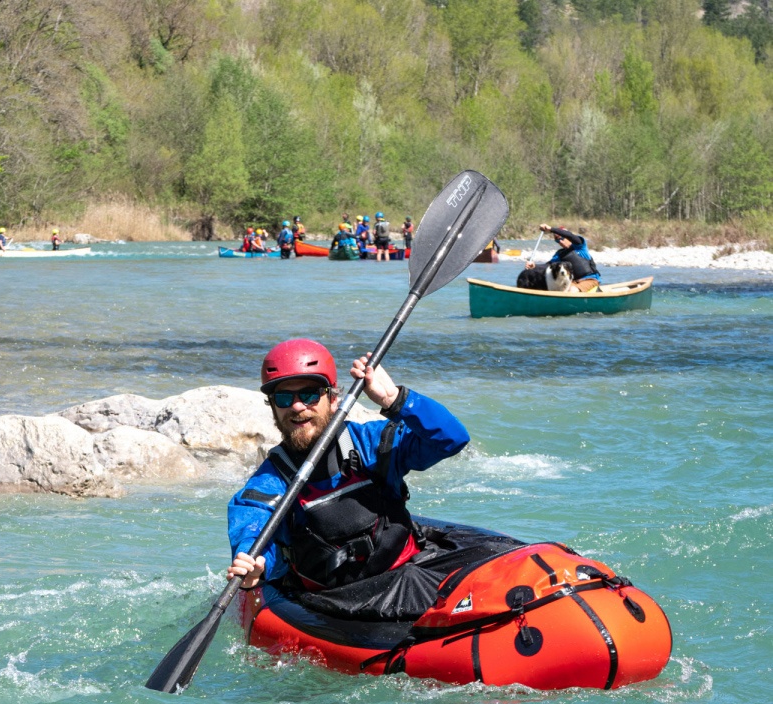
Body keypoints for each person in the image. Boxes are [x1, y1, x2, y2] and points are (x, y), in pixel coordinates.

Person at [226, 339, 473, 605]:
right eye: (284, 398)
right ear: (274, 407)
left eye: (309, 394)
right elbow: (254, 531)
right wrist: (256, 566)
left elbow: (452, 439)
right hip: (332, 602)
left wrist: (396, 400)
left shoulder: (372, 445)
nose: (297, 407)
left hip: (406, 572)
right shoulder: (269, 482)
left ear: (333, 400)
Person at [526, 224, 601, 292]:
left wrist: (551, 229)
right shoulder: (560, 254)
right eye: (557, 240)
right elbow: (549, 266)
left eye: (562, 238)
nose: (560, 242)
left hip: (590, 279)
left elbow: (570, 236)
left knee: (572, 290)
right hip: (573, 281)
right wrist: (535, 266)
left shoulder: (580, 246)